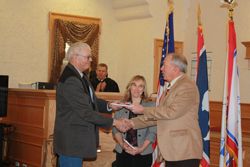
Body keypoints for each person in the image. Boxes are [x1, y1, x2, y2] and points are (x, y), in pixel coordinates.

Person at [121, 53, 203, 167]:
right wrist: (132, 123)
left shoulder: (186, 86)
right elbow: (159, 116)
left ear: (175, 68)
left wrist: (143, 110)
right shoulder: (171, 88)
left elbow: (171, 112)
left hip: (184, 151)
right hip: (173, 151)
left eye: (164, 65)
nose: (161, 68)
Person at [53, 42, 125, 167]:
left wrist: (110, 106)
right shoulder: (71, 80)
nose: (91, 60)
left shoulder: (80, 76)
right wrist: (115, 122)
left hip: (75, 142)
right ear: (76, 57)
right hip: (71, 143)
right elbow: (85, 112)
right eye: (88, 57)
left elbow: (91, 100)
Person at [112, 75, 156, 167]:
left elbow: (153, 132)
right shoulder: (120, 105)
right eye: (134, 85)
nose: (137, 89)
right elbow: (115, 129)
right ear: (130, 87)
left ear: (144, 89)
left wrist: (141, 149)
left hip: (143, 153)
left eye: (140, 86)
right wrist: (122, 144)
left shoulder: (151, 106)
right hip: (123, 152)